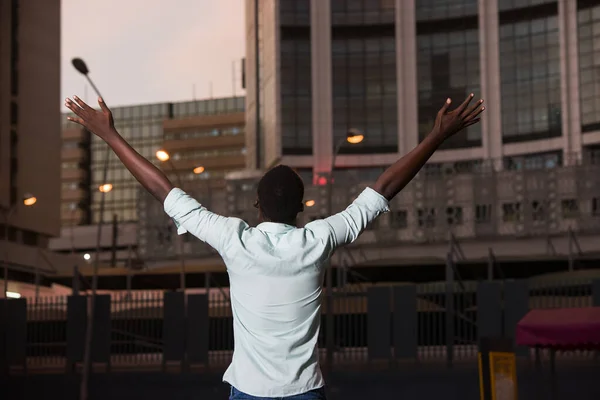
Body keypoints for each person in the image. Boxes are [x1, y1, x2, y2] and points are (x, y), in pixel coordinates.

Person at [65, 94, 484, 400]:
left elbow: (164, 189)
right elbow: (383, 188)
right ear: (302, 209)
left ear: (256, 206)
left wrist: (109, 133)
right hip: (305, 393)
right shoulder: (318, 240)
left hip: (247, 393)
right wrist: (437, 136)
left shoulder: (235, 239)